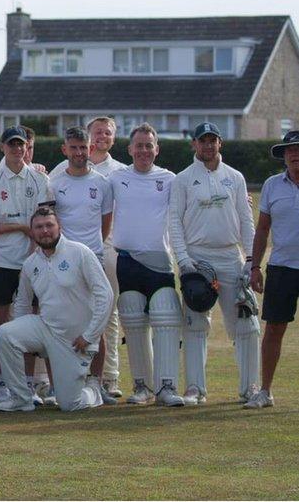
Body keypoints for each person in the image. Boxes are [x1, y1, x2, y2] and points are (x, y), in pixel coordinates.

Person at [168, 122, 259, 406]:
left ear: (220, 143)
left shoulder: (235, 177)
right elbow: (174, 222)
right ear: (194, 144)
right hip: (197, 258)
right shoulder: (182, 179)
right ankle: (195, 387)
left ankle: (250, 387)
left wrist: (251, 259)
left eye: (213, 140)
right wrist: (183, 260)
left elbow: (246, 219)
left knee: (247, 324)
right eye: (202, 141)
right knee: (196, 324)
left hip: (230, 256)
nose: (208, 145)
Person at [0, 207, 112, 412]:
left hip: (75, 341)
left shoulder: (80, 252)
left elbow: (105, 295)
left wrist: (90, 335)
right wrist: (24, 336)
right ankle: (21, 398)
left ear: (59, 227)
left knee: (69, 404)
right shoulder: (31, 263)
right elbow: (22, 303)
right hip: (46, 329)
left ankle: (93, 389)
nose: (45, 231)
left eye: (49, 225)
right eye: (39, 227)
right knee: (5, 333)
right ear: (32, 231)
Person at [49, 117, 126, 397]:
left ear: (90, 147)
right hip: (65, 260)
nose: (79, 152)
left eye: (83, 147)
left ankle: (97, 381)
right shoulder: (56, 184)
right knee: (65, 320)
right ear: (65, 150)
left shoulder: (102, 183)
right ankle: (66, 381)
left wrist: (90, 249)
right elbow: (54, 223)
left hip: (94, 258)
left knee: (98, 321)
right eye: (74, 147)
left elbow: (105, 223)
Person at [0, 126, 51, 405]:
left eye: (21, 144)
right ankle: (3, 382)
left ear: (26, 147)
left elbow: (45, 223)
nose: (17, 149)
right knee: (1, 321)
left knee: (30, 320)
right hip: (1, 262)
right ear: (2, 147)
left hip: (33, 263)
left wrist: (33, 249)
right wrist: (19, 227)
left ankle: (28, 385)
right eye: (12, 144)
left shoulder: (39, 179)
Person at [245, 130, 299, 409]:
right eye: (290, 150)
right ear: (284, 156)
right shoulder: (272, 185)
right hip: (281, 267)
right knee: (274, 329)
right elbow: (262, 228)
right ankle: (265, 391)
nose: (295, 154)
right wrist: (255, 266)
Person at [110, 123, 184, 407]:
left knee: (166, 320)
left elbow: (188, 209)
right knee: (133, 322)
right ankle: (142, 386)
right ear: (129, 149)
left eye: (148, 145)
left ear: (157, 149)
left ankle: (167, 386)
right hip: (127, 260)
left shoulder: (170, 179)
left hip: (159, 262)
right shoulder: (116, 179)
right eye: (138, 145)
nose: (143, 150)